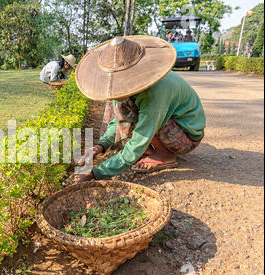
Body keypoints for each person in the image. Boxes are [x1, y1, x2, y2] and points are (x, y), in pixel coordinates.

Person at [74, 35, 206, 183]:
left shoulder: (154, 92)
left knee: (144, 123)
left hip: (186, 137)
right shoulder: (131, 87)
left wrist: (96, 173)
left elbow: (140, 138)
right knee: (126, 109)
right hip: (170, 126)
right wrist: (100, 146)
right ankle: (151, 150)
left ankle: (165, 156)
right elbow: (120, 121)